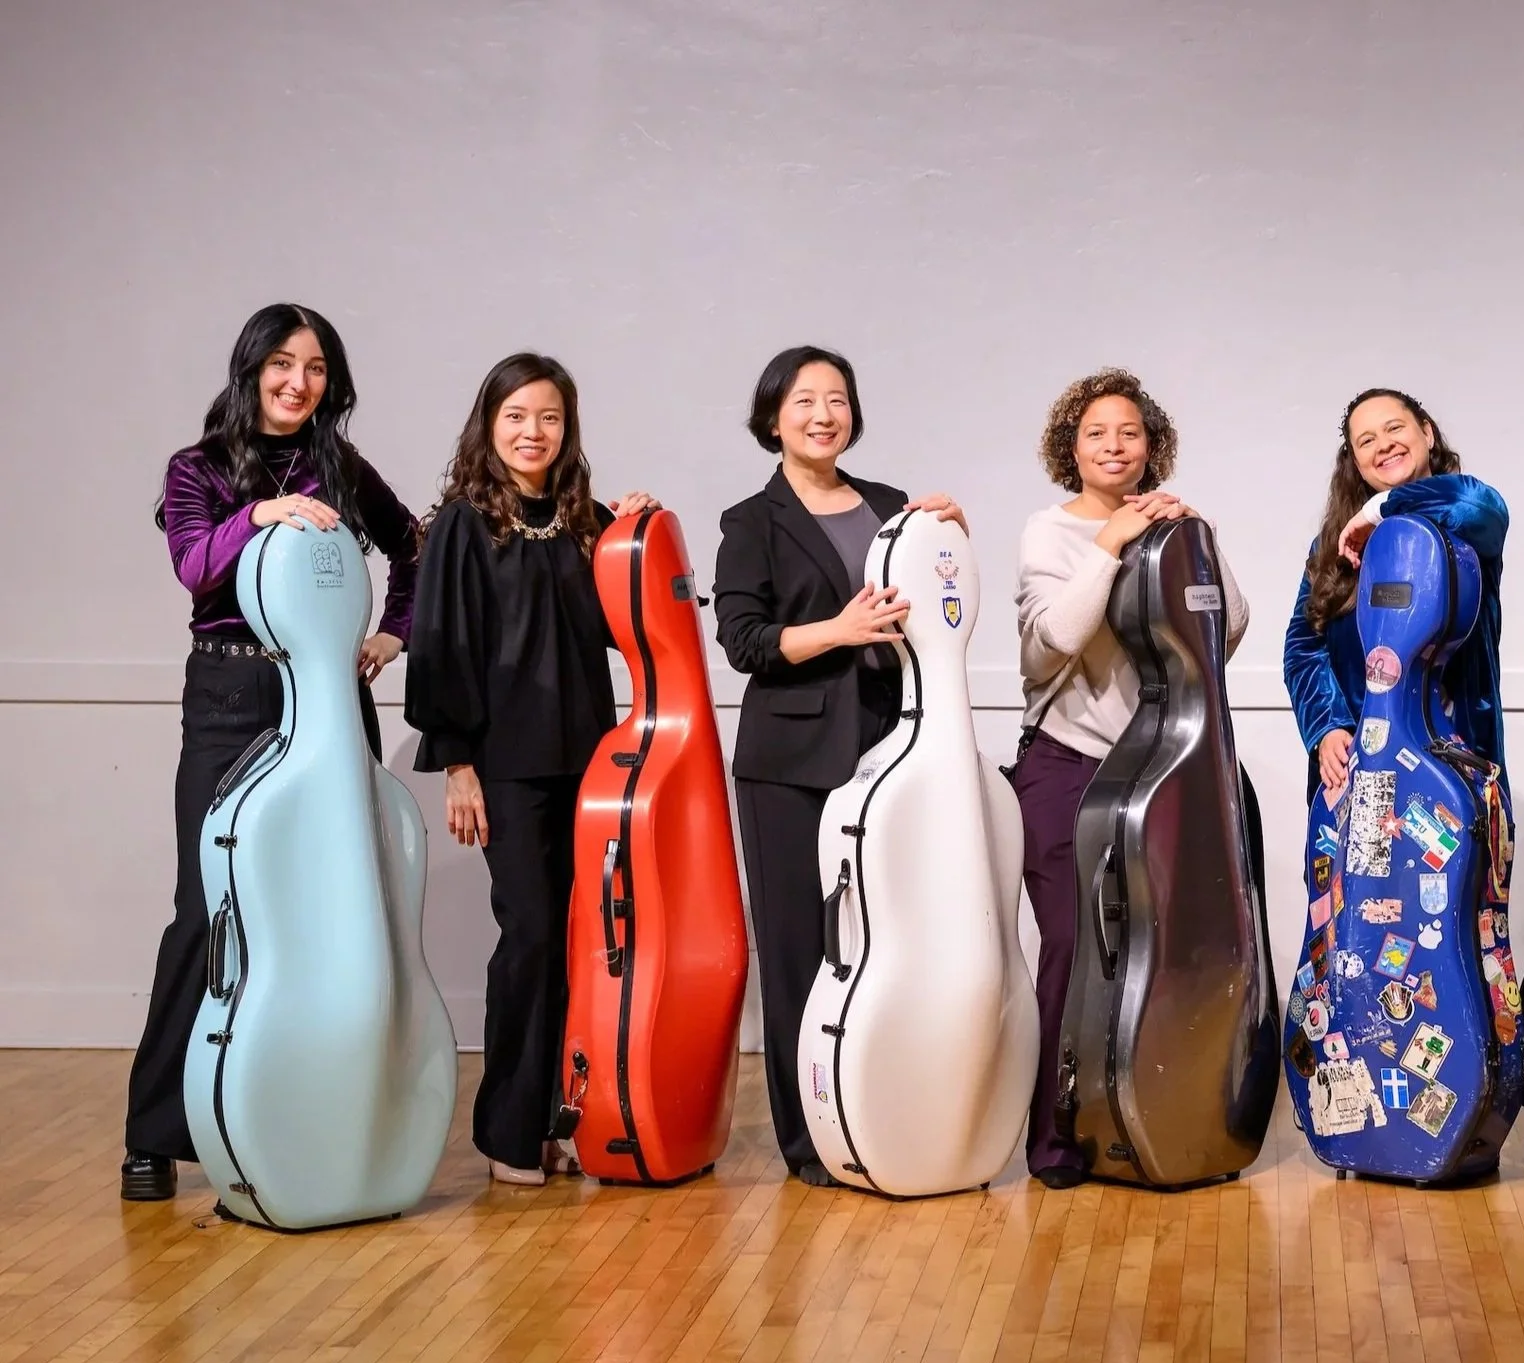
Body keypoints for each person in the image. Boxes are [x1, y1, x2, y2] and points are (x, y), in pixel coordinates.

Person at [126, 303, 424, 1203]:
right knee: (207, 907)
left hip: (329, 689)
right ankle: (155, 1134)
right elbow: (193, 565)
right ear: (250, 368)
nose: (300, 382)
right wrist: (264, 511)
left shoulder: (341, 464)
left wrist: (394, 633)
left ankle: (324, 1115)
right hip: (229, 692)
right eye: (284, 364)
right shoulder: (198, 468)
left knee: (340, 899)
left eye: (318, 368)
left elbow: (417, 545)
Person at [403, 353, 658, 1188]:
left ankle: (557, 1118)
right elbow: (440, 648)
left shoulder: (589, 522)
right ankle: (508, 1131)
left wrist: (641, 536)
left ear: (567, 429)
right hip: (504, 767)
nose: (531, 432)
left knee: (582, 938)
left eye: (547, 417)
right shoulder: (461, 526)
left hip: (588, 764)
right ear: (490, 423)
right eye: (515, 416)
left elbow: (638, 621)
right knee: (533, 935)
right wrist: (459, 768)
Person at [711, 345, 964, 1187]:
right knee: (800, 951)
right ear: (773, 416)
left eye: (838, 398)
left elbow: (937, 611)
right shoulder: (751, 521)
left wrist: (948, 540)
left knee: (896, 940)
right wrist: (838, 630)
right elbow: (744, 643)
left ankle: (890, 1109)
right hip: (789, 765)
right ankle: (808, 1137)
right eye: (804, 399)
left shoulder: (895, 506)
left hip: (896, 752)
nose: (824, 414)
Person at [1012, 369, 1246, 1189]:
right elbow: (1052, 643)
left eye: (1131, 434)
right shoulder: (1049, 533)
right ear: (1069, 448)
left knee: (1166, 950)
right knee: (1077, 950)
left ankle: (1155, 1118)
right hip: (1067, 768)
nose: (1115, 447)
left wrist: (1195, 541)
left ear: (1153, 446)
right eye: (1096, 434)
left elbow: (1229, 626)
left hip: (1160, 770)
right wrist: (1109, 549)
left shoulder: (1170, 525)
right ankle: (1057, 1137)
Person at [1284, 388, 1511, 803]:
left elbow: (1482, 506)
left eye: (1394, 428)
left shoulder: (1466, 524)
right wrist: (1327, 726)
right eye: (1366, 440)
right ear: (1355, 461)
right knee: (1353, 870)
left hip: (1456, 761)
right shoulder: (1334, 545)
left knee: (1457, 867)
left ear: (1426, 432)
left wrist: (1379, 510)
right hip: (1360, 764)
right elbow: (1303, 646)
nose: (1383, 444)